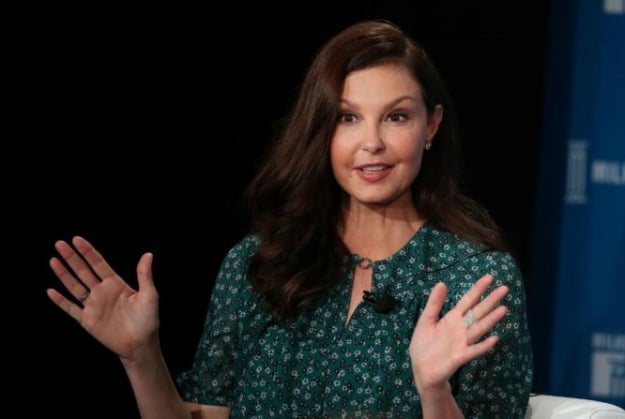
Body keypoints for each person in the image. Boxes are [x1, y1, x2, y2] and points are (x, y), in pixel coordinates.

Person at [46, 19, 533, 418]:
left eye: (396, 116)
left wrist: (433, 391)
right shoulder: (258, 264)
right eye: (347, 117)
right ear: (320, 129)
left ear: (431, 126)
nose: (371, 143)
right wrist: (141, 357)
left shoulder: (476, 280)